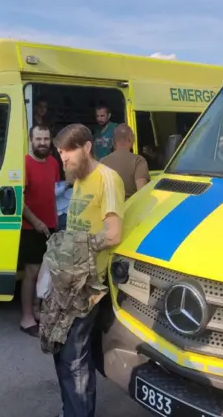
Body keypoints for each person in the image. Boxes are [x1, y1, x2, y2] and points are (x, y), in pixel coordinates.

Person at [53, 123, 125, 417]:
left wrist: (78, 246)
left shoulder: (107, 179)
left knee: (74, 355)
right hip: (70, 279)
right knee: (61, 348)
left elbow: (113, 234)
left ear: (86, 147)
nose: (64, 159)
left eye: (68, 151)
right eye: (60, 153)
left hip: (90, 282)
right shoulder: (79, 178)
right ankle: (70, 408)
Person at [19, 125, 60, 336]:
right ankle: (26, 318)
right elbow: (21, 199)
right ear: (31, 140)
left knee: (45, 273)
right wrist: (35, 222)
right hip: (30, 226)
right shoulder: (24, 163)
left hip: (51, 225)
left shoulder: (53, 163)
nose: (42, 142)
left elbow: (54, 194)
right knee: (31, 273)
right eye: (38, 139)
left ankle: (36, 310)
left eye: (46, 138)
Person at [101, 123, 150, 200]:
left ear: (113, 142)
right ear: (132, 139)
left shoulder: (102, 162)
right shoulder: (138, 160)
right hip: (130, 209)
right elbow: (142, 192)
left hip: (108, 209)